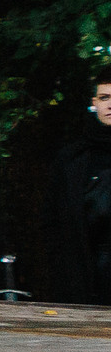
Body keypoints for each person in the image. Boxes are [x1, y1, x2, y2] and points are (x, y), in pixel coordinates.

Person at [49, 68, 111, 306]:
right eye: (104, 98)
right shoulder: (72, 158)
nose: (110, 105)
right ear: (94, 102)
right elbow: (52, 219)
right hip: (84, 273)